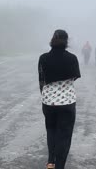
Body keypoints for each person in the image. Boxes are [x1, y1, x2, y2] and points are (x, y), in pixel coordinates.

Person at [38, 30, 81, 169]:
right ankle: (59, 166)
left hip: (48, 102)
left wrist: (45, 96)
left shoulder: (43, 58)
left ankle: (51, 162)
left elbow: (41, 80)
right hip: (66, 103)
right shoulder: (72, 58)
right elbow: (74, 77)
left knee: (51, 131)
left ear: (52, 40)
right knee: (64, 135)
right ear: (66, 41)